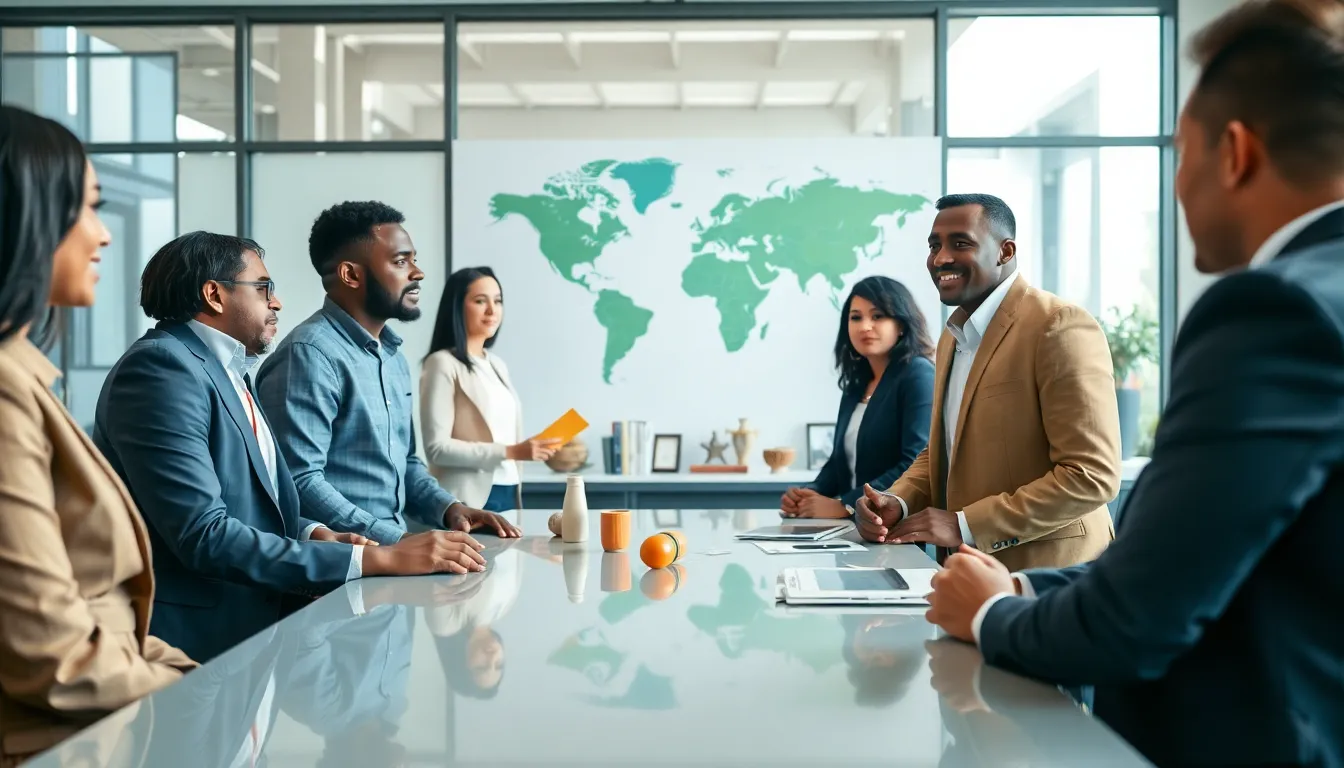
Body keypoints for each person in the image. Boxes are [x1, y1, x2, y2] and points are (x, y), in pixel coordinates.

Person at [924, 1, 1344, 765]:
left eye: (1179, 153)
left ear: (1236, 153)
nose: (1175, 186)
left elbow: (1136, 618)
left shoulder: (1276, 311)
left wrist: (990, 615)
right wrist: (1020, 593)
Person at [92, 232, 492, 663]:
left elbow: (246, 504)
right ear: (214, 294)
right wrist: (372, 559)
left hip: (249, 631)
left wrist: (313, 532)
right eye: (264, 288)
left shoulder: (229, 370)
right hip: (195, 643)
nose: (277, 303)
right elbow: (203, 534)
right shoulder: (162, 369)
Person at [0, 104, 196, 764]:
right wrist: (196, 693)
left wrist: (190, 674)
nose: (102, 234)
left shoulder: (25, 377)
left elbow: (105, 608)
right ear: (23, 215)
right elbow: (50, 650)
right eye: (86, 207)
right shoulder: (4, 390)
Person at [857, 193, 1121, 569]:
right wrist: (896, 501)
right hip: (967, 573)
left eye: (960, 243)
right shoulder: (953, 336)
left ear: (1005, 251)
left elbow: (1092, 475)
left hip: (1052, 575)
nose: (941, 258)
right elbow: (943, 448)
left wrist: (964, 524)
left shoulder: (1058, 326)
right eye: (934, 245)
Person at [256, 201, 520, 545]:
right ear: (351, 275)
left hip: (391, 560)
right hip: (339, 568)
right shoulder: (309, 355)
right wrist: (398, 541)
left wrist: (450, 508)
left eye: (414, 259)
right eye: (400, 261)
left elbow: (406, 463)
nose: (417, 273)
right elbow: (299, 481)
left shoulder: (392, 356)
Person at [780, 276, 934, 519]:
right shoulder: (856, 385)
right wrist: (808, 495)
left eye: (878, 316)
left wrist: (846, 505)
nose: (864, 326)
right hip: (852, 529)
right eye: (856, 317)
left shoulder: (918, 374)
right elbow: (839, 463)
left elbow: (914, 464)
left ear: (901, 324)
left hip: (897, 527)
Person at [421, 266, 560, 513]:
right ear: (457, 307)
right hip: (467, 499)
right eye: (479, 301)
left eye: (498, 301)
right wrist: (511, 451)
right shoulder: (442, 363)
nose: (492, 310)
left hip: (510, 490)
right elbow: (437, 449)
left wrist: (531, 448)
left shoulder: (497, 365)